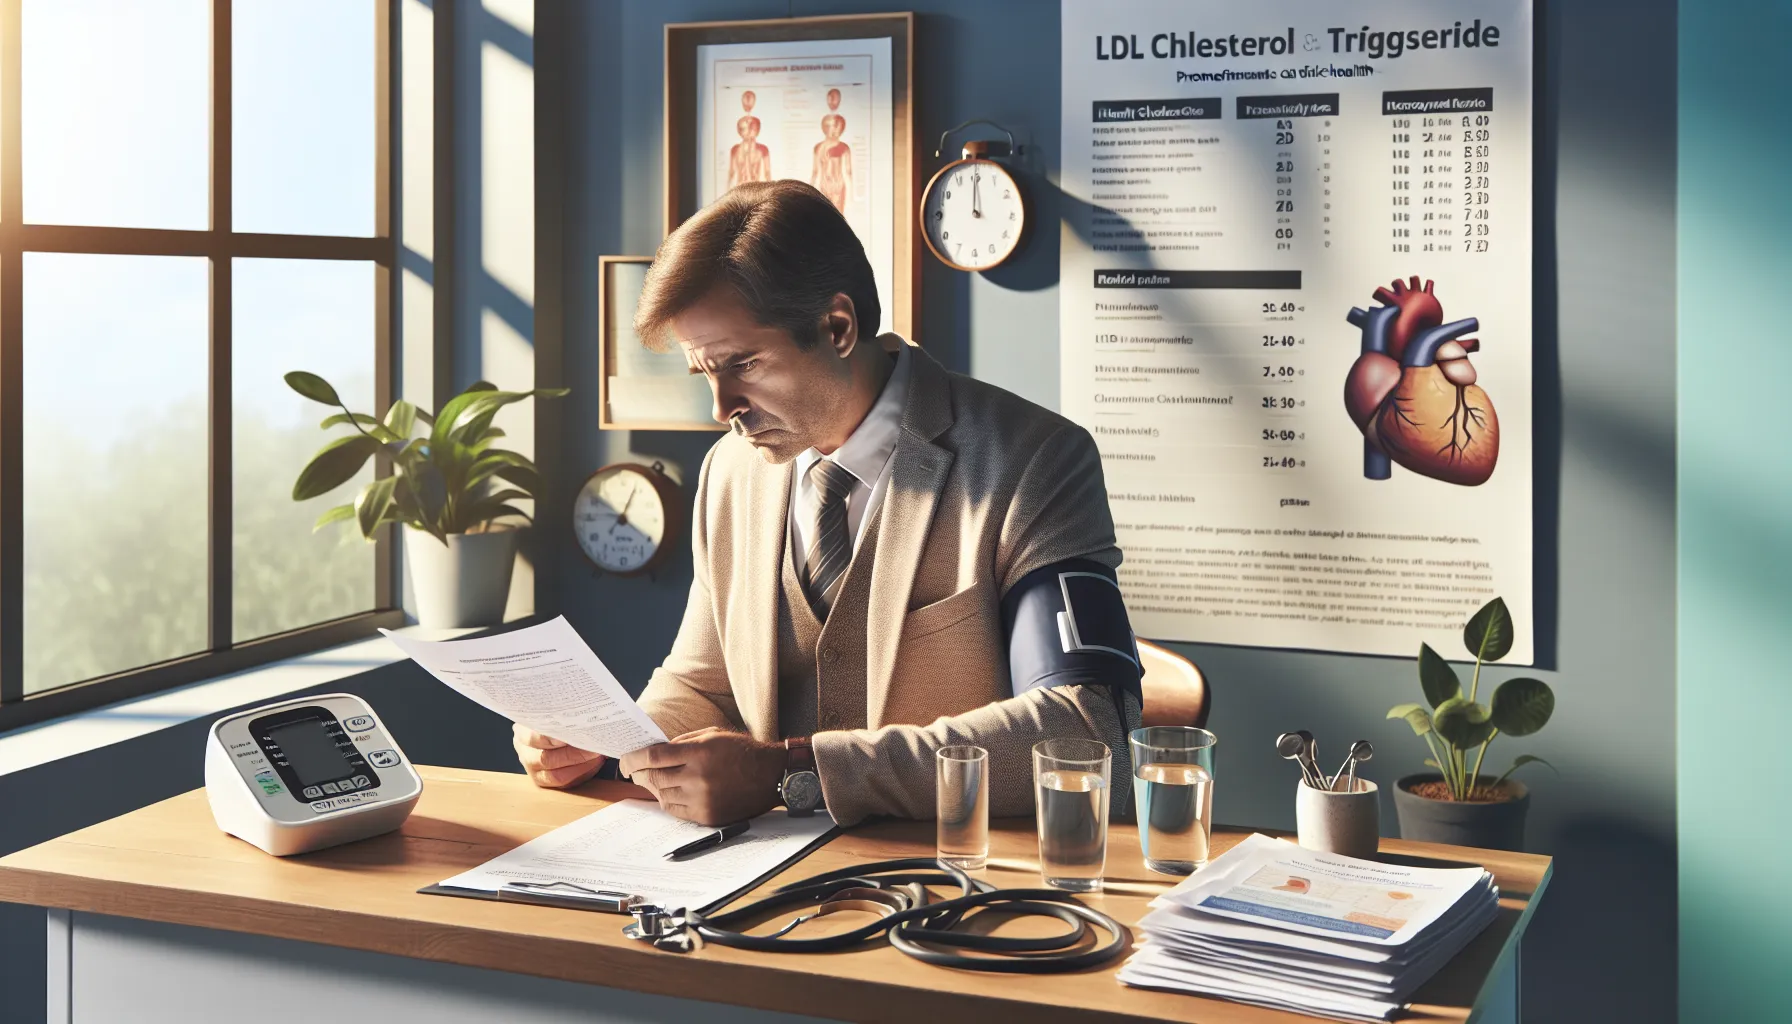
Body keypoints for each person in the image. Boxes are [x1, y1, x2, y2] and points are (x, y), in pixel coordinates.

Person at [515, 179, 1142, 827]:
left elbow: (1086, 735)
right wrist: (610, 740)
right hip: (754, 889)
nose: (720, 408)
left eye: (744, 365)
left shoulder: (1033, 458)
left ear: (837, 326)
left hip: (957, 882)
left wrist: (794, 772)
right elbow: (704, 687)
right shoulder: (728, 473)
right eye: (705, 372)